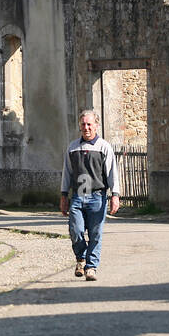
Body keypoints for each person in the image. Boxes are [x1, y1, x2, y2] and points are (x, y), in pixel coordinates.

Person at [59, 109, 120, 281]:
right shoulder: (72, 148)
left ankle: (91, 267)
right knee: (76, 230)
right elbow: (67, 174)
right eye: (83, 124)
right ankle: (81, 258)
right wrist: (64, 196)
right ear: (80, 126)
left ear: (96, 125)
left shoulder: (104, 147)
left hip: (97, 197)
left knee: (95, 234)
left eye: (89, 124)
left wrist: (115, 195)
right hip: (78, 196)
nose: (86, 128)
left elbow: (112, 173)